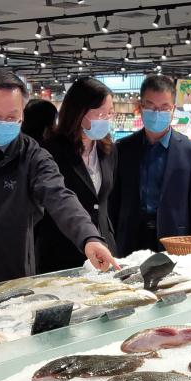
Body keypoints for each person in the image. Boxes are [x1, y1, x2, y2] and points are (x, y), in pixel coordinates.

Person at [0, 69, 118, 294]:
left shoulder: (33, 156)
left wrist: (89, 238)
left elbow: (60, 197)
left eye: (12, 117)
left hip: (6, 281)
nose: (4, 123)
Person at [110, 75, 191, 257]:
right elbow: (114, 201)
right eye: (151, 107)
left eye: (164, 108)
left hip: (175, 239)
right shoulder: (122, 149)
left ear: (173, 109)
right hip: (130, 237)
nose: (157, 113)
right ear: (141, 107)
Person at [36, 78, 118, 273]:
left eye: (110, 113)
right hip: (62, 249)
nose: (106, 119)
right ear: (79, 112)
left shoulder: (108, 149)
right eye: (101, 114)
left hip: (104, 246)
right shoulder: (50, 151)